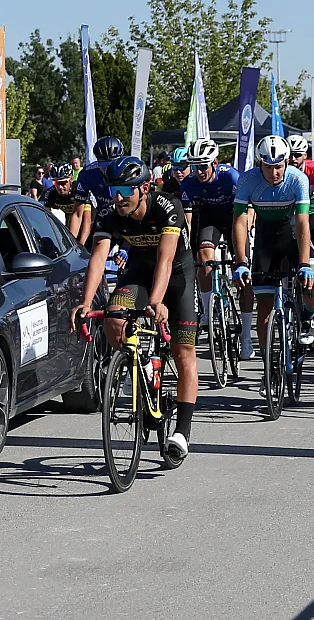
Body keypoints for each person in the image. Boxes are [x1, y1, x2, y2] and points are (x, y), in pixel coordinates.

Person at [72, 156, 198, 461]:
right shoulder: (109, 215)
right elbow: (98, 260)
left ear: (144, 188)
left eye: (125, 190)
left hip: (177, 276)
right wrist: (86, 303)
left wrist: (157, 301)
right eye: (113, 189)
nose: (118, 198)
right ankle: (137, 364)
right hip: (140, 273)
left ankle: (181, 430)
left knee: (184, 353)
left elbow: (166, 261)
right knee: (114, 317)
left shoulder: (167, 206)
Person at [232, 135, 314, 375]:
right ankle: (269, 368)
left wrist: (304, 262)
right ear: (260, 163)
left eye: (279, 166)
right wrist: (241, 261)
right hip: (265, 241)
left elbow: (302, 222)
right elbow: (239, 222)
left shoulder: (298, 179)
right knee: (264, 309)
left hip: (293, 237)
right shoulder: (248, 180)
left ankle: (307, 319)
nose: (274, 173)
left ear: (287, 162)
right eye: (268, 167)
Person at [180, 138, 245, 335]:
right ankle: (208, 310)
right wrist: (187, 248)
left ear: (214, 163)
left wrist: (247, 231)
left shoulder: (231, 177)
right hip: (210, 219)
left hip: (234, 217)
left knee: (242, 264)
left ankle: (245, 316)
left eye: (202, 166)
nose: (198, 171)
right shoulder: (189, 183)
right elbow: (188, 221)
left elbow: (247, 210)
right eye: (194, 166)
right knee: (204, 256)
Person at [286, 134, 314, 342]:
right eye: (290, 155)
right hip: (291, 212)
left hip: (312, 211)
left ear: (305, 155)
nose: (293, 159)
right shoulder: (281, 170)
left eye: (297, 155)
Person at [69, 136, 126, 244]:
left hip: (129, 222)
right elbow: (77, 213)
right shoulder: (87, 174)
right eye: (103, 165)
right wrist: (71, 244)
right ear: (97, 161)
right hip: (105, 217)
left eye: (112, 164)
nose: (108, 169)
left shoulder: (130, 171)